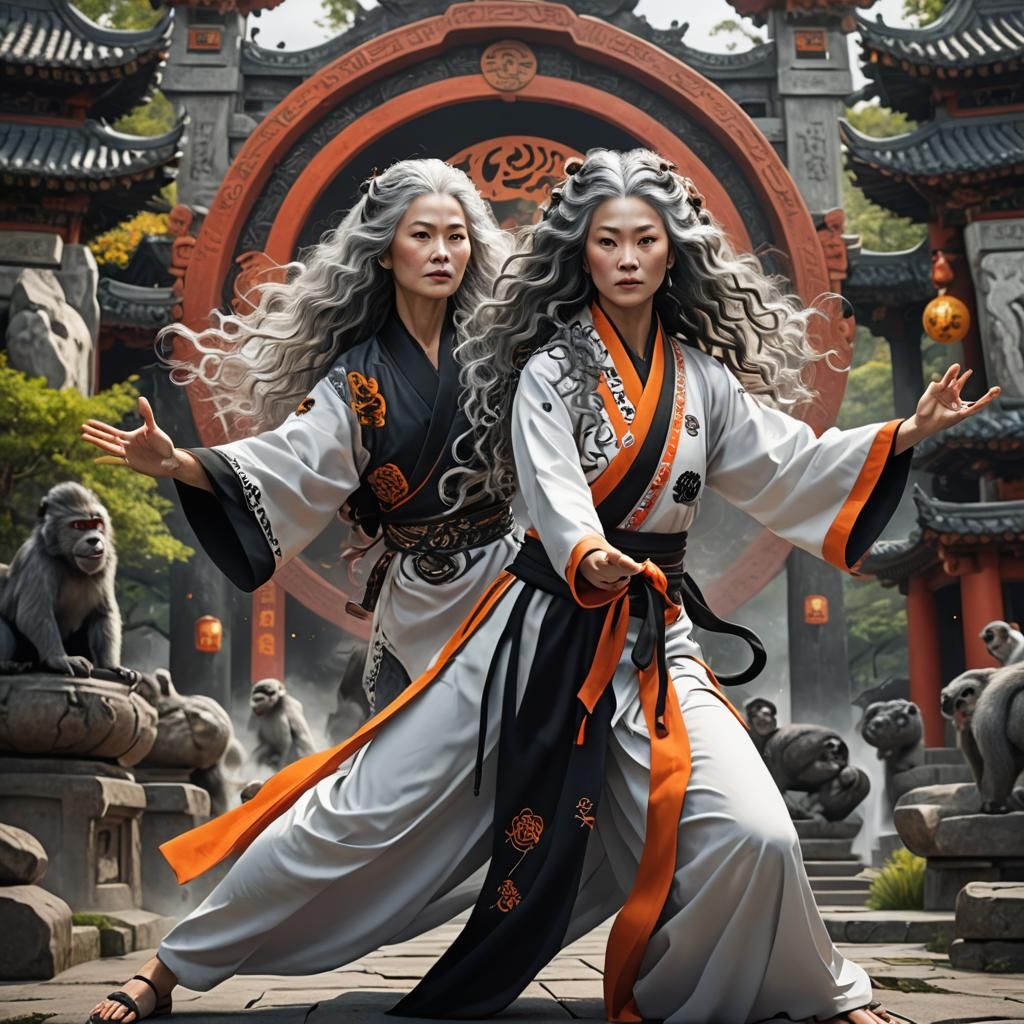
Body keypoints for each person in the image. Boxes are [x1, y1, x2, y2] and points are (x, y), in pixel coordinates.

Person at [87, 149, 996, 1024]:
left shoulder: (654, 373)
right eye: (608, 240)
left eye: (646, 239)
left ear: (673, 249)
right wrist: (193, 465)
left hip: (643, 629)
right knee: (360, 812)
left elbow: (790, 464)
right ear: (578, 251)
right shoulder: (534, 368)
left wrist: (903, 433)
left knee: (756, 830)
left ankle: (801, 990)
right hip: (528, 617)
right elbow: (539, 494)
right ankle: (172, 968)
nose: (629, 259)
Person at [81, 158, 518, 715]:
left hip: (510, 586)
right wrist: (180, 465)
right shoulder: (357, 376)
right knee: (402, 775)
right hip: (418, 599)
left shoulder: (502, 352)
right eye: (422, 235)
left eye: (456, 237)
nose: (441, 252)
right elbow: (293, 459)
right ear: (385, 250)